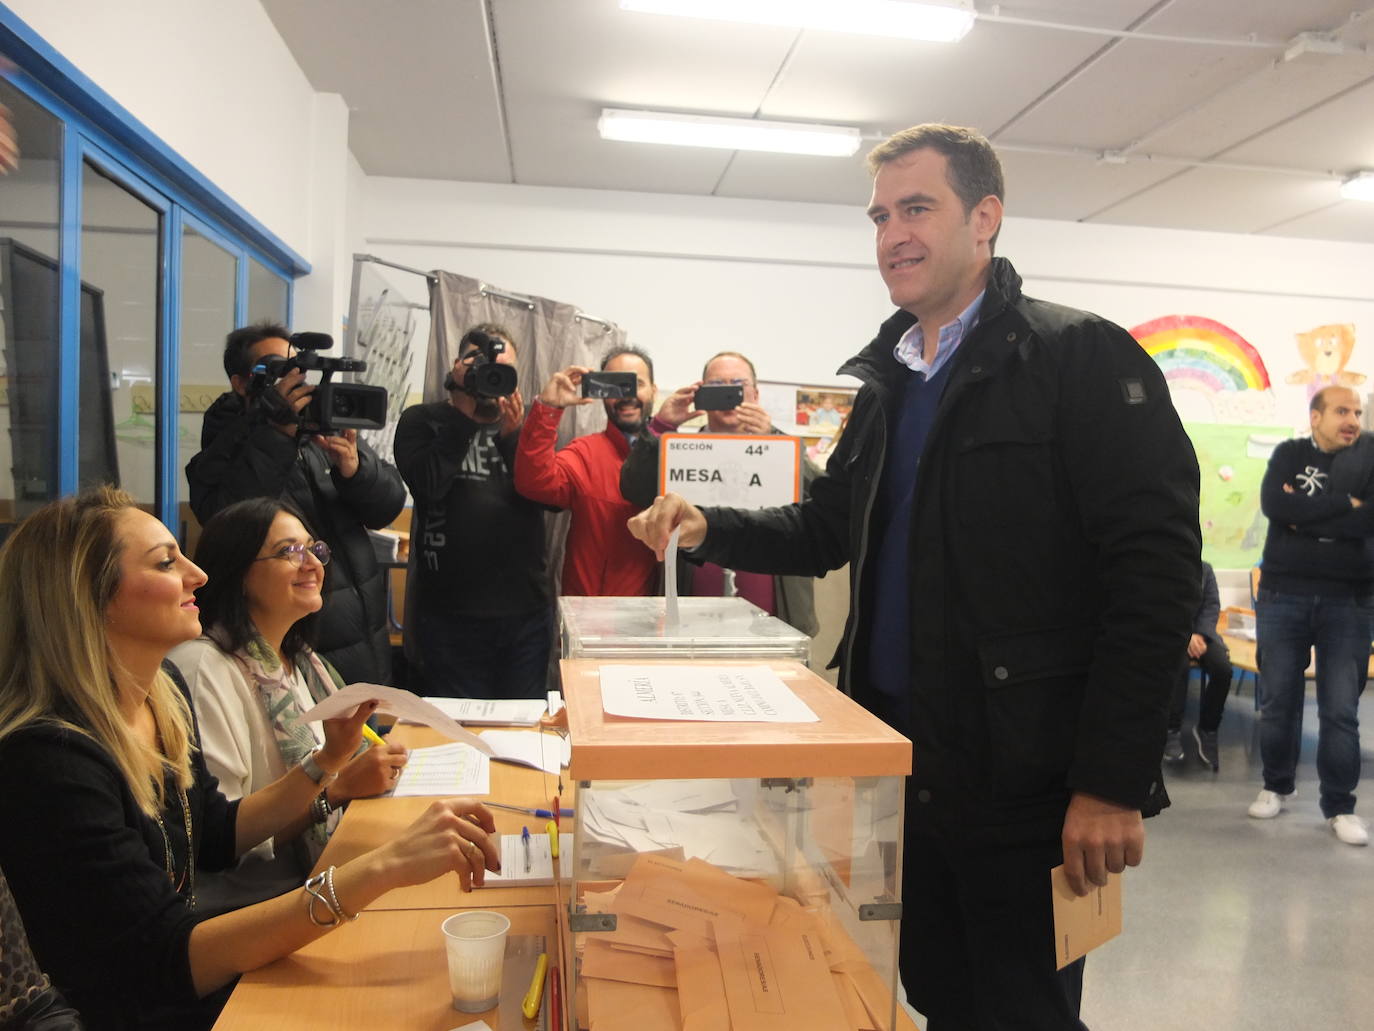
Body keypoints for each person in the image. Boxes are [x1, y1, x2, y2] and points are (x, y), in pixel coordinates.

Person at [628, 123, 1200, 1030]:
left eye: (917, 208)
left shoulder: (1078, 358)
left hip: (1025, 776)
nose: (892, 233)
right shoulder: (891, 379)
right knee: (935, 990)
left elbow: (1156, 577)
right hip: (900, 757)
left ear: (986, 217)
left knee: (1024, 1010)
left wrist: (1112, 780)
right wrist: (708, 526)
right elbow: (827, 526)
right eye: (880, 214)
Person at [0, 487, 499, 1030]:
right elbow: (165, 958)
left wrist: (327, 759)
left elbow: (215, 832)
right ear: (86, 597)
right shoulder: (49, 762)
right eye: (167, 563)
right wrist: (379, 869)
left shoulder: (161, 693)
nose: (198, 574)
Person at [167, 498, 411, 915]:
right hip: (254, 909)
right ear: (238, 573)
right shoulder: (204, 667)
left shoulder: (301, 661)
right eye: (288, 552)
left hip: (319, 881)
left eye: (314, 549)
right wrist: (335, 789)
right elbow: (221, 840)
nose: (312, 564)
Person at [184, 322, 406, 686]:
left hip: (364, 638)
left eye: (296, 369)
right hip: (297, 648)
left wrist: (354, 469)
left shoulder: (321, 429)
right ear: (241, 383)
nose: (291, 379)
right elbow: (230, 517)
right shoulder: (224, 449)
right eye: (276, 370)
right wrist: (276, 432)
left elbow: (386, 507)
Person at [393, 324, 552, 697]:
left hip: (524, 612)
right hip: (447, 613)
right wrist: (462, 414)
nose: (489, 376)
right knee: (455, 733)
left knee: (523, 724)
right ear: (457, 367)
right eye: (479, 365)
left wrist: (514, 438)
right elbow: (429, 487)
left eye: (502, 368)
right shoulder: (422, 421)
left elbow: (548, 499)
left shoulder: (528, 427)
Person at [1247, 385, 1374, 845]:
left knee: (1341, 709)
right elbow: (1275, 506)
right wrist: (1345, 504)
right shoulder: (1289, 453)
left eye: (1357, 412)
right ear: (1316, 416)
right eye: (1342, 410)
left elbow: (1370, 521)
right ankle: (1276, 785)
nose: (1353, 420)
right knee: (1278, 700)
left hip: (1349, 602)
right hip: (1285, 595)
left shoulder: (1371, 456)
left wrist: (1305, 518)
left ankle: (1340, 806)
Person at [620, 350, 819, 636]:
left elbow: (823, 497)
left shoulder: (783, 448)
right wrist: (662, 426)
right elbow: (633, 488)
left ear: (755, 394)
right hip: (691, 621)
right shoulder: (680, 451)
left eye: (738, 385)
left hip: (778, 624)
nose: (729, 394)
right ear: (700, 394)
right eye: (716, 387)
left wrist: (774, 439)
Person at [514, 346, 659, 596]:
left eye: (636, 383)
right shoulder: (585, 453)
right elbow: (534, 483)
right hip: (591, 621)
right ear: (601, 391)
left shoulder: (676, 454)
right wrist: (548, 409)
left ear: (653, 391)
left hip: (657, 621)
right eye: (616, 385)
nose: (627, 395)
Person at [1163, 561, 1232, 770]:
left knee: (1223, 670)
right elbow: (1164, 607)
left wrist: (1199, 634)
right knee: (1178, 666)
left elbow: (1212, 605)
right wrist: (1185, 635)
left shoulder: (1206, 569)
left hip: (1203, 636)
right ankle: (1171, 730)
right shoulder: (1163, 567)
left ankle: (1207, 729)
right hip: (1173, 634)